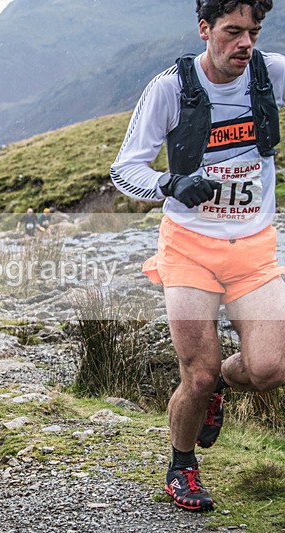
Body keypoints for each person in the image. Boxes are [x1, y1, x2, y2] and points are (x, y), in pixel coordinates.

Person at [111, 0, 285, 512]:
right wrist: (171, 184)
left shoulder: (270, 74)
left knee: (270, 370)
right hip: (189, 248)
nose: (245, 43)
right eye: (233, 31)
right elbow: (125, 169)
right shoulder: (170, 88)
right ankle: (181, 467)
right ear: (205, 29)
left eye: (253, 31)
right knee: (198, 373)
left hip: (254, 248)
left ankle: (222, 387)